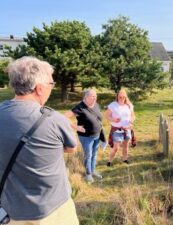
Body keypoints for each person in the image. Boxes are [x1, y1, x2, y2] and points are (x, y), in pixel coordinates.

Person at [0, 56, 79, 224]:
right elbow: (72, 148)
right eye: (51, 84)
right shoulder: (54, 120)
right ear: (39, 88)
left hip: (10, 211)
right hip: (52, 212)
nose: (52, 87)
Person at [64, 89, 106, 184]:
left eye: (95, 96)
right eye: (92, 96)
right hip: (86, 137)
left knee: (94, 154)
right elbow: (64, 116)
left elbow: (98, 118)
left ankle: (93, 171)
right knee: (88, 155)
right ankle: (88, 174)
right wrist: (76, 127)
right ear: (86, 97)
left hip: (97, 135)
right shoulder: (80, 107)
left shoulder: (96, 105)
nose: (95, 98)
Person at [105, 90, 135, 167]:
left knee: (126, 145)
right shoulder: (113, 105)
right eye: (120, 97)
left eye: (123, 96)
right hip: (117, 129)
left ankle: (125, 159)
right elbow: (107, 116)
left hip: (127, 129)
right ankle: (109, 161)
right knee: (116, 148)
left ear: (126, 97)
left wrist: (131, 123)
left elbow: (133, 116)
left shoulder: (129, 105)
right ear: (117, 97)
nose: (121, 98)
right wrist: (114, 119)